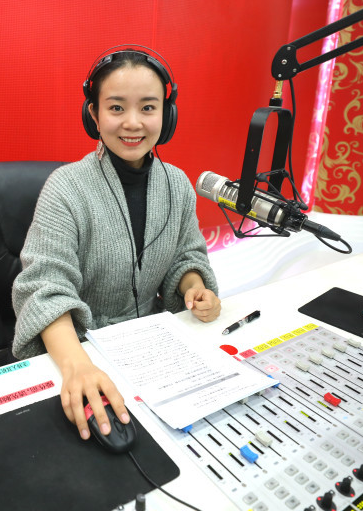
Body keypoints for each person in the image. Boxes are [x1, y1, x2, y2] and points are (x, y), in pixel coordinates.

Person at [11, 47, 221, 442]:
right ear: (93, 114)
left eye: (148, 107)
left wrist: (194, 287)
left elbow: (186, 254)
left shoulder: (177, 184)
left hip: (154, 348)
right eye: (116, 108)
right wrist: (77, 366)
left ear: (167, 115)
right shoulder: (65, 188)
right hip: (82, 348)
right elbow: (44, 288)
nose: (133, 122)